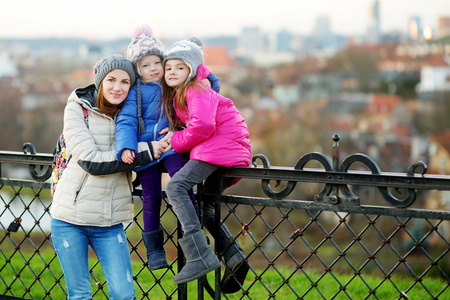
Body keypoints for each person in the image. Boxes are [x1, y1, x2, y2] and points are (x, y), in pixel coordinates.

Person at [50, 54, 166, 299]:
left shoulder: (134, 115)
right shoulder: (77, 109)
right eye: (111, 80)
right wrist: (146, 152)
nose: (118, 87)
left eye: (125, 82)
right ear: (100, 81)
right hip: (69, 219)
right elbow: (91, 161)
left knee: (124, 295)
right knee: (80, 294)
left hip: (110, 221)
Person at [114, 25, 220, 271]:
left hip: (172, 147)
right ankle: (154, 251)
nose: (153, 69)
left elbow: (209, 90)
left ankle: (195, 245)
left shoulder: (172, 83)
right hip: (148, 149)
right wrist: (126, 147)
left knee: (183, 190)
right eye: (145, 65)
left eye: (156, 63)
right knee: (151, 200)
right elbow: (126, 121)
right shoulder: (135, 92)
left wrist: (200, 67)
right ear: (137, 69)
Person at [161, 37, 252, 290]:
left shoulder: (195, 89)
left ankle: (199, 256)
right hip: (227, 148)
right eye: (169, 67)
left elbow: (201, 125)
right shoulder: (191, 90)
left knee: (176, 187)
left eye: (180, 68)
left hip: (219, 148)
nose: (172, 72)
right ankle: (233, 256)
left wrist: (175, 139)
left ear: (192, 71)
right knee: (206, 208)